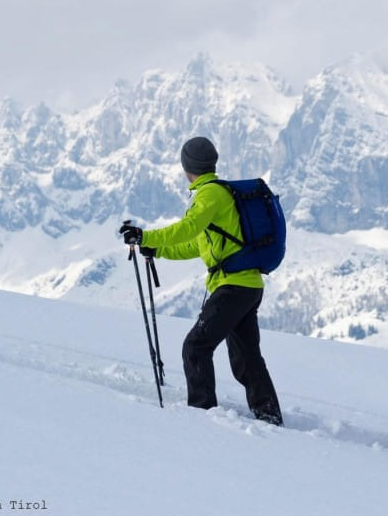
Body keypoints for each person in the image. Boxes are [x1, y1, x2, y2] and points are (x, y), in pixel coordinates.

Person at [119, 136, 283, 426]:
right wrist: (156, 248)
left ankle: (202, 416)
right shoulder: (217, 195)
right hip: (247, 286)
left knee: (196, 347)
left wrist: (146, 236)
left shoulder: (209, 195)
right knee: (246, 356)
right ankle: (268, 414)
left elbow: (187, 228)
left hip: (232, 287)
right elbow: (196, 245)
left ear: (187, 166)